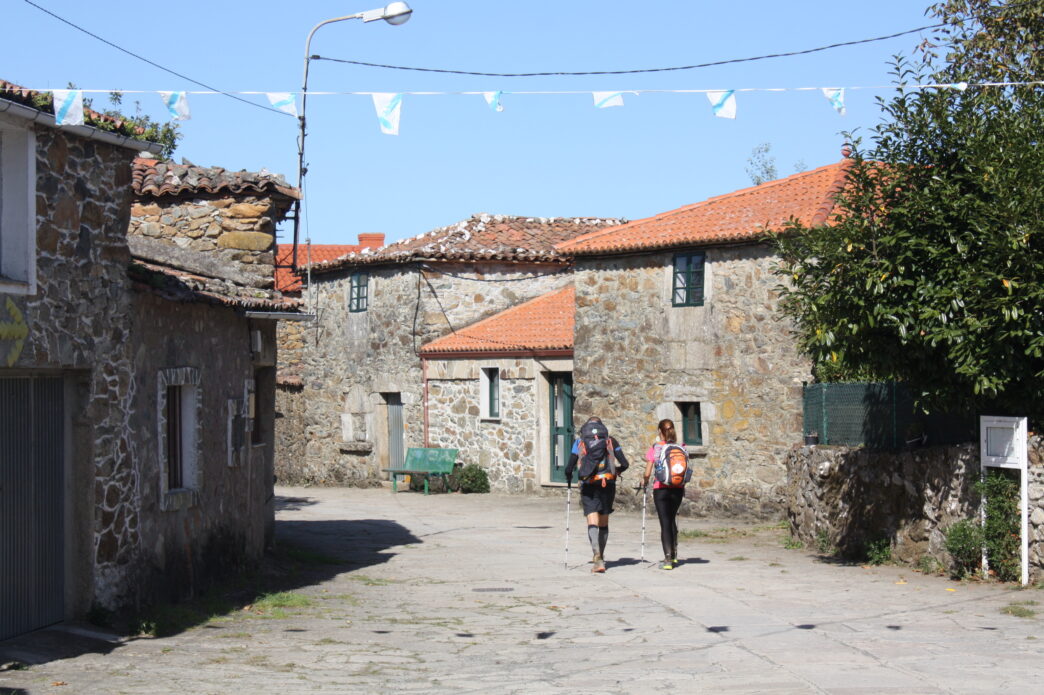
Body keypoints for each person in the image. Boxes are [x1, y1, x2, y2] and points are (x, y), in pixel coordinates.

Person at [564, 416, 629, 573]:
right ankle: (602, 555)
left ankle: (597, 557)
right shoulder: (611, 441)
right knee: (604, 521)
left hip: (589, 484)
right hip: (608, 483)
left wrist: (569, 479)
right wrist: (616, 471)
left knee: (592, 519)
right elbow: (625, 463)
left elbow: (569, 467)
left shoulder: (579, 442)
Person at [642, 418, 686, 570]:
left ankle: (667, 559)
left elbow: (648, 472)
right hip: (677, 487)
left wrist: (644, 481)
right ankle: (673, 556)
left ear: (659, 431)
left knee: (665, 522)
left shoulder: (656, 447)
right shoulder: (681, 446)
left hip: (660, 487)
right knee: (672, 518)